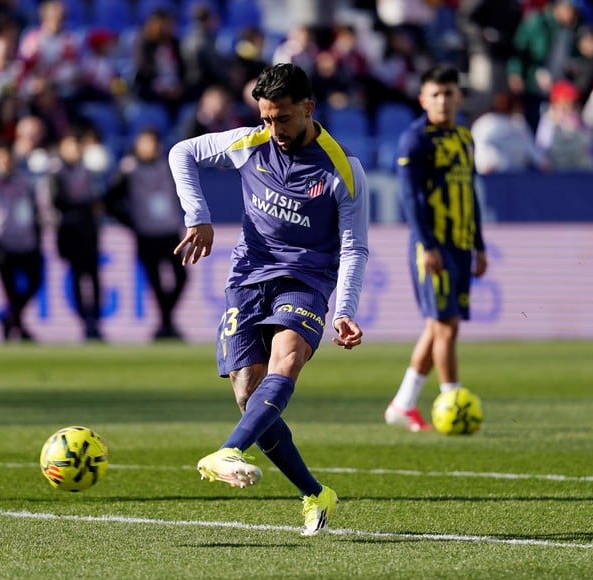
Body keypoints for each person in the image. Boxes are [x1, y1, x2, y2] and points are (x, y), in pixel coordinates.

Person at [168, 63, 370, 536]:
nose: (273, 130)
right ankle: (315, 494)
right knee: (247, 395)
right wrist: (196, 215)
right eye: (265, 118)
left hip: (306, 279)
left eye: (282, 119)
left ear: (308, 108)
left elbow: (354, 246)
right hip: (248, 276)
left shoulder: (342, 168)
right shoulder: (251, 142)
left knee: (287, 363)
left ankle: (228, 451)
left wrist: (344, 310)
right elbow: (182, 153)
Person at [384, 64, 487, 433]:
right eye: (436, 94)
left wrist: (479, 245)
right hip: (434, 245)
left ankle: (402, 404)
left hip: (460, 243)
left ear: (459, 96)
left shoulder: (464, 137)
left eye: (449, 93)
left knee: (439, 325)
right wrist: (427, 245)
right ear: (423, 99)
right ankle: (454, 400)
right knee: (445, 327)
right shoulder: (416, 139)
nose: (443, 100)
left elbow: (470, 192)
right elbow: (409, 197)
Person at [106, 127, 188, 341]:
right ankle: (166, 323)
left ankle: (166, 320)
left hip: (169, 231)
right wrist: (130, 221)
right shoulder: (129, 170)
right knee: (155, 280)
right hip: (146, 234)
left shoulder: (168, 166)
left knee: (181, 276)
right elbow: (111, 200)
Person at [0, 142, 44, 342]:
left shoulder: (23, 181)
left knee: (35, 281)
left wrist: (38, 236)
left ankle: (11, 319)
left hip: (26, 241)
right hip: (1, 243)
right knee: (10, 289)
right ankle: (19, 327)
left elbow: (34, 210)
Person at [47, 129, 106, 341]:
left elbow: (97, 200)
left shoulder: (88, 171)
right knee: (77, 276)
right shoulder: (56, 172)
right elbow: (57, 202)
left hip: (88, 232)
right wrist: (84, 207)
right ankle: (85, 320)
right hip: (70, 232)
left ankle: (96, 319)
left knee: (95, 278)